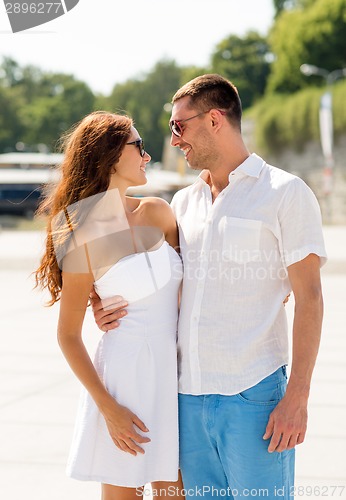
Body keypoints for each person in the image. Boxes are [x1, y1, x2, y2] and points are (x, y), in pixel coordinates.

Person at [92, 75, 327, 499]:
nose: (174, 139)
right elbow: (162, 283)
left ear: (215, 119)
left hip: (254, 396)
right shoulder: (183, 204)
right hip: (186, 399)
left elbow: (309, 296)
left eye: (179, 126)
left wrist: (298, 396)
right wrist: (101, 301)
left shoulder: (286, 193)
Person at [34, 111, 184, 500]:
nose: (147, 156)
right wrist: (109, 409)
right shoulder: (81, 231)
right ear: (110, 155)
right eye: (139, 146)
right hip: (123, 381)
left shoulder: (158, 212)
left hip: (177, 376)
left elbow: (194, 285)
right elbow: (67, 335)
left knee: (176, 494)